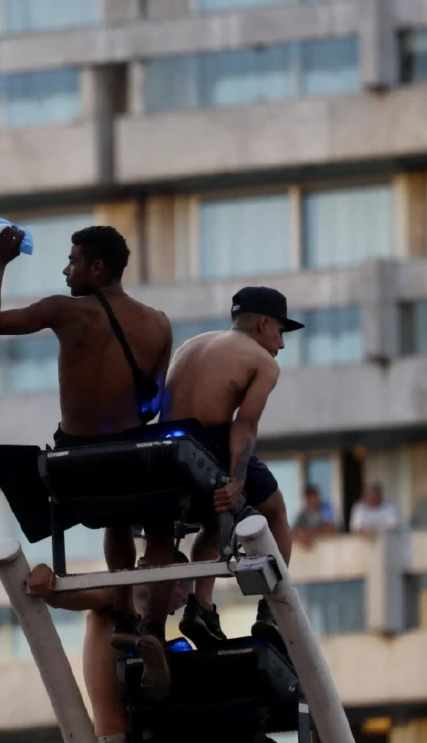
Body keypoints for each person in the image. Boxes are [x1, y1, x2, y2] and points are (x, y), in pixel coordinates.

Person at [0, 224, 172, 743]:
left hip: (75, 469)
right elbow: (155, 404)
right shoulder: (159, 324)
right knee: (146, 511)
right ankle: (146, 621)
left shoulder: (68, 311)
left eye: (71, 261)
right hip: (135, 464)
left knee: (102, 504)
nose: (66, 271)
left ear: (96, 268)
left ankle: (128, 614)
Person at [126, 286, 302, 677]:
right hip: (210, 443)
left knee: (214, 516)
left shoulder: (194, 344)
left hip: (166, 451)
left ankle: (200, 608)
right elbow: (245, 424)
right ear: (263, 323)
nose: (281, 345)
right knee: (274, 513)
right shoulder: (262, 361)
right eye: (281, 332)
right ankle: (271, 611)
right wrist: (237, 480)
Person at [293, 484, 337, 548]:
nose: (313, 500)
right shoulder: (304, 513)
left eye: (314, 496)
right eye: (310, 497)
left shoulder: (326, 508)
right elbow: (293, 530)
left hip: (328, 548)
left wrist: (310, 534)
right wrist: (301, 536)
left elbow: (331, 528)